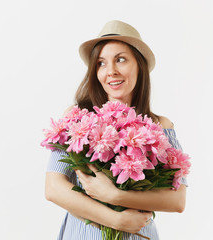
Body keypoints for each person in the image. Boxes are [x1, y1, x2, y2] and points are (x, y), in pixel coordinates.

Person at [45, 20, 187, 240]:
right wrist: (115, 220)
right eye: (101, 63)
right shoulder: (77, 117)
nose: (111, 71)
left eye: (120, 60)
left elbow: (177, 201)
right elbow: (54, 188)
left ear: (139, 65)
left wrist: (114, 195)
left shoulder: (161, 126)